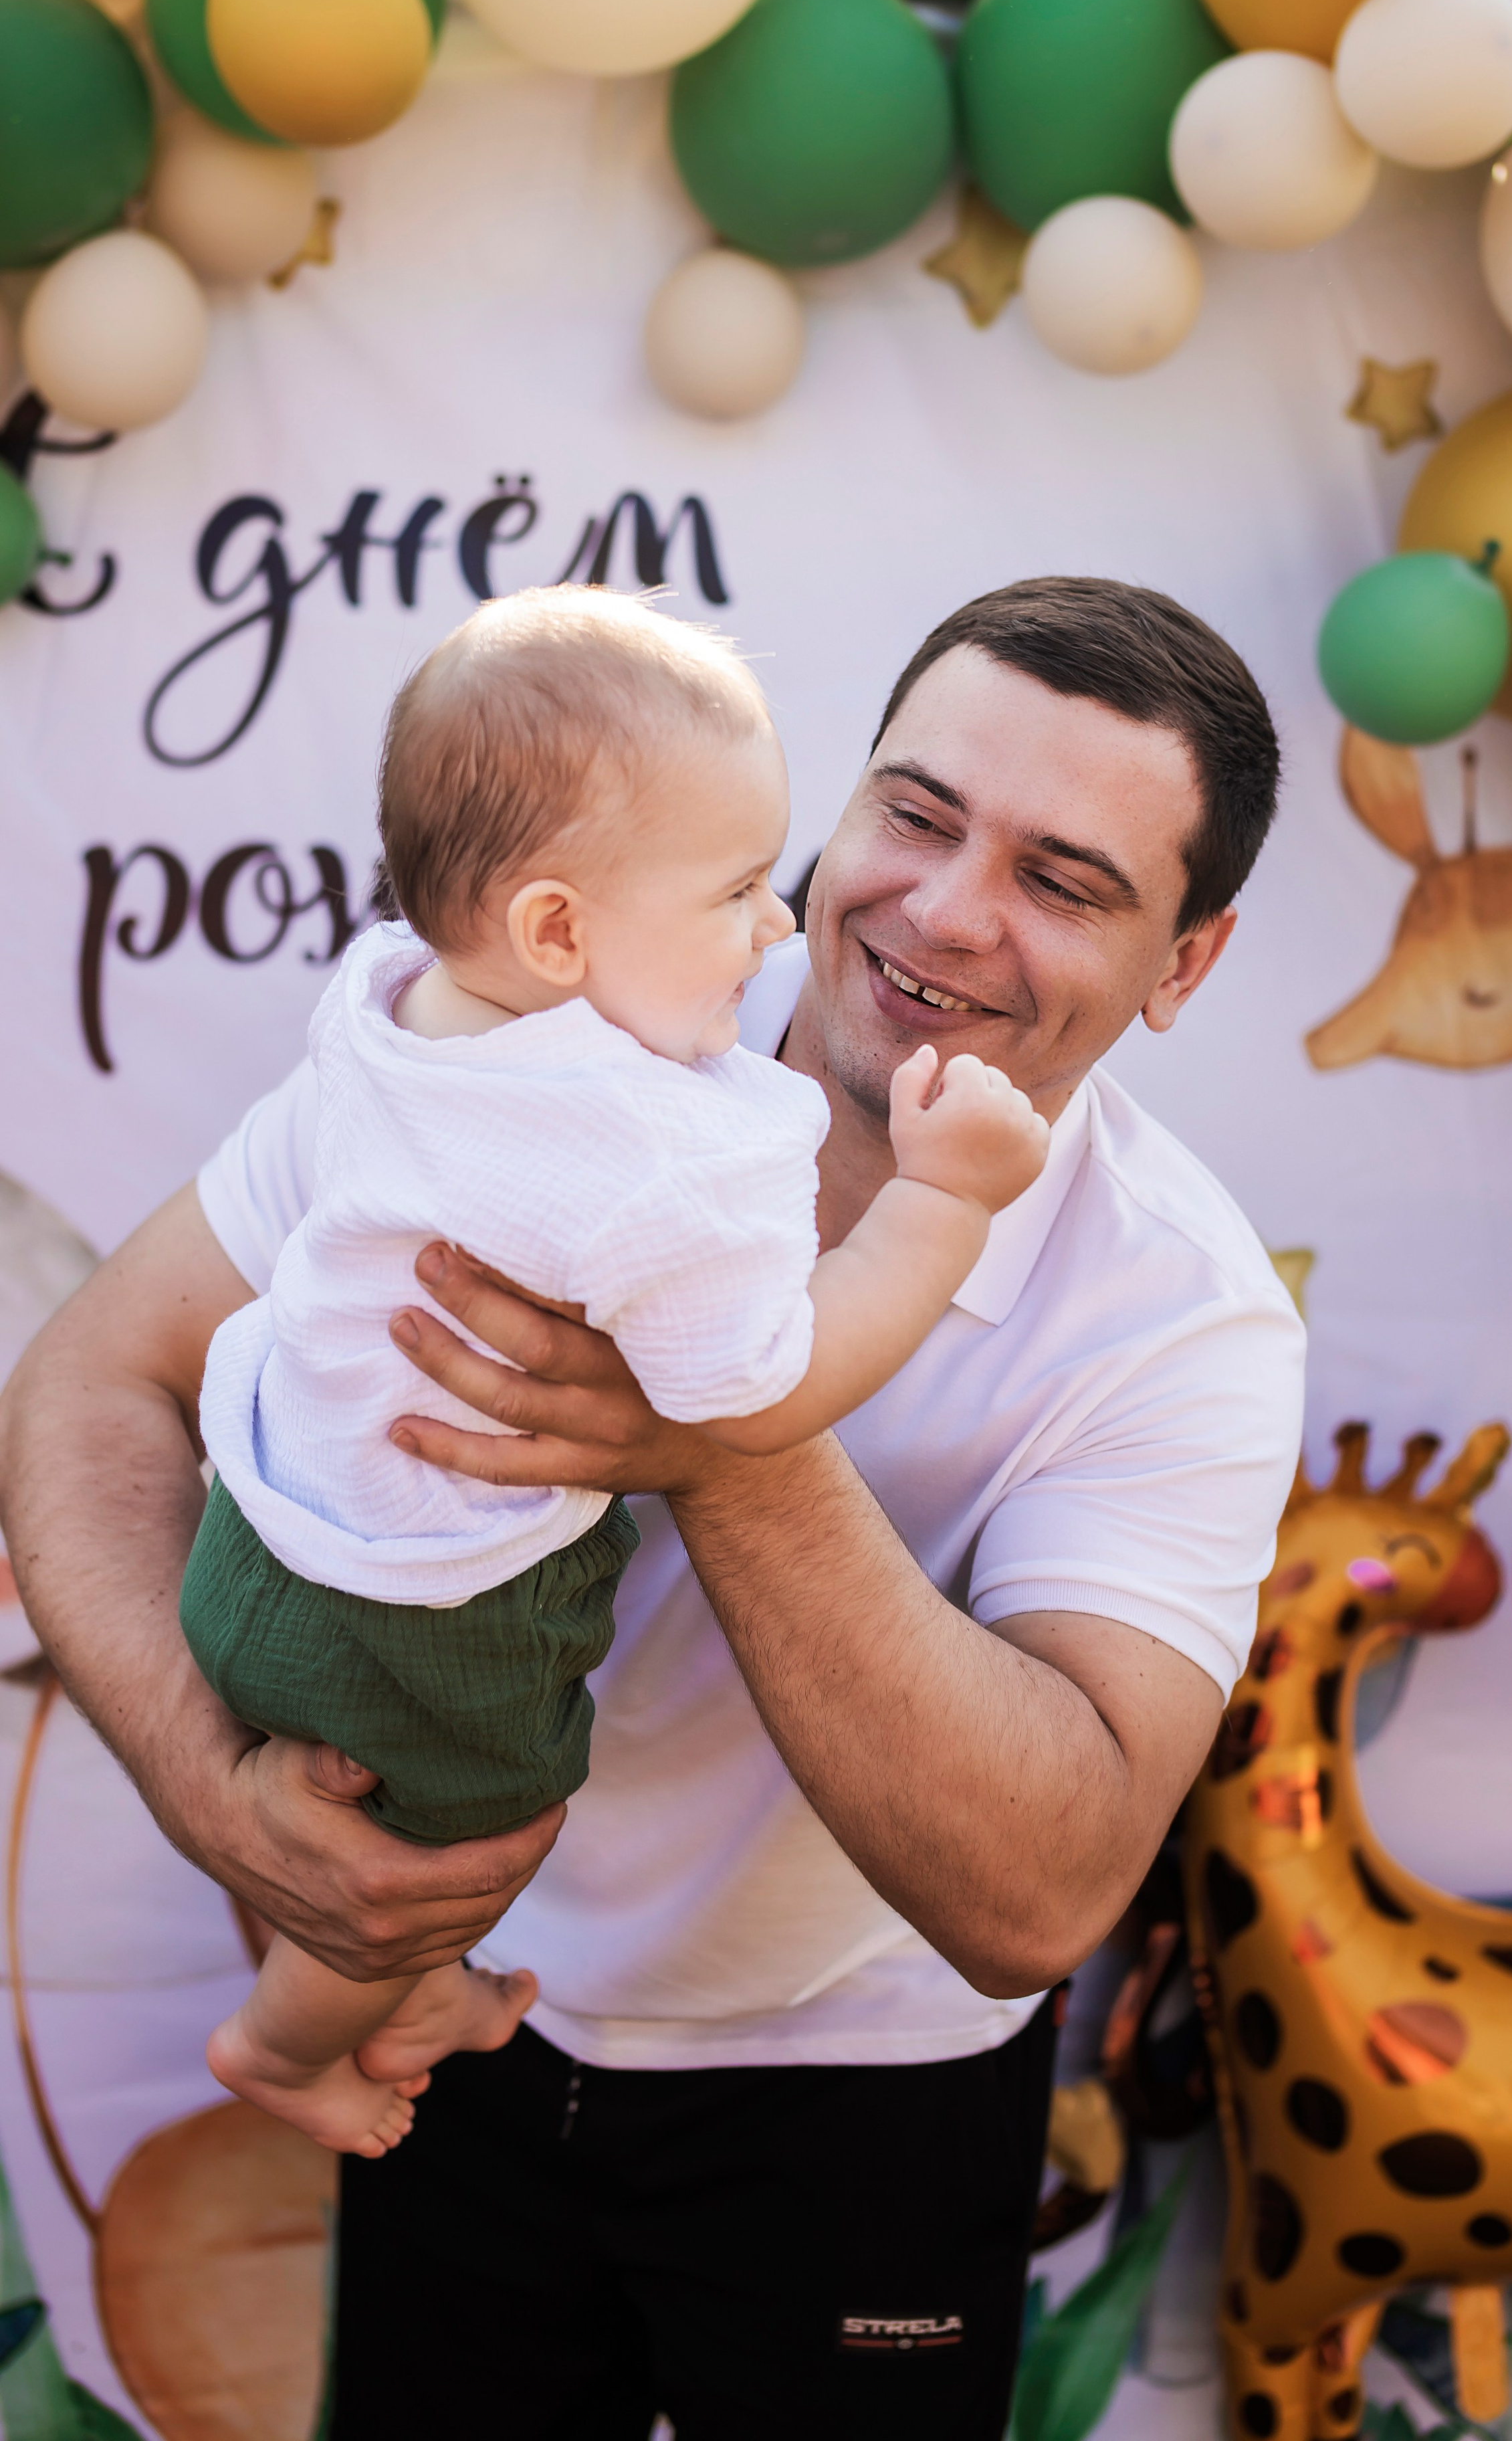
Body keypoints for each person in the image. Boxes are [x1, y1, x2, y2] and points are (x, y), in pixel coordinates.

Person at [0, 576, 1305, 2441]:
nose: (943, 911)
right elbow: (84, 1387)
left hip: (861, 2092)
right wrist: (214, 1788)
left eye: (1064, 880)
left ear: (1187, 964)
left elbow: (1044, 1891)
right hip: (460, 2027)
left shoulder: (1187, 1318)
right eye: (916, 815)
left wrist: (710, 1427)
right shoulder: (550, 1022)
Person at [186, 585, 1045, 2161]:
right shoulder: (653, 1152)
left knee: (394, 1817)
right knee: (473, 1834)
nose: (776, 927)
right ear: (558, 932)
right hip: (427, 1613)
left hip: (253, 1528)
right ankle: (287, 2041)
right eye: (733, 894)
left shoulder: (389, 999)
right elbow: (760, 1394)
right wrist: (943, 1203)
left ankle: (420, 1994)